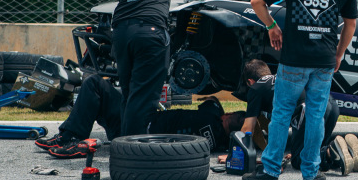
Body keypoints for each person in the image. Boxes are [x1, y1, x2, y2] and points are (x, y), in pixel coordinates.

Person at [245, 0, 358, 180]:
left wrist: (272, 26)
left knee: (282, 112)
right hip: (324, 59)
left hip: (294, 58)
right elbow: (351, 23)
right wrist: (339, 54)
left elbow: (256, 1)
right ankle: (310, 171)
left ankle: (270, 171)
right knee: (316, 114)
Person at [111, 0, 209, 136]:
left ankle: (123, 141)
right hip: (151, 30)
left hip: (121, 30)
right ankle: (132, 148)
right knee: (144, 95)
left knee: (129, 91)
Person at [34, 74, 243, 157]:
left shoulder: (211, 116)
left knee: (95, 84)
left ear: (228, 115)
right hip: (136, 138)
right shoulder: (221, 145)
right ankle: (75, 140)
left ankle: (70, 136)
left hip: (138, 123)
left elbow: (211, 100)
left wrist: (220, 111)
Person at [241, 59, 358, 175]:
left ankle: (331, 150)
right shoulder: (282, 77)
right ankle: (348, 152)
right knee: (313, 151)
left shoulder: (256, 88)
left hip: (307, 110)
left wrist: (237, 152)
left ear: (250, 81)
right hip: (329, 105)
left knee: (300, 161)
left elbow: (248, 128)